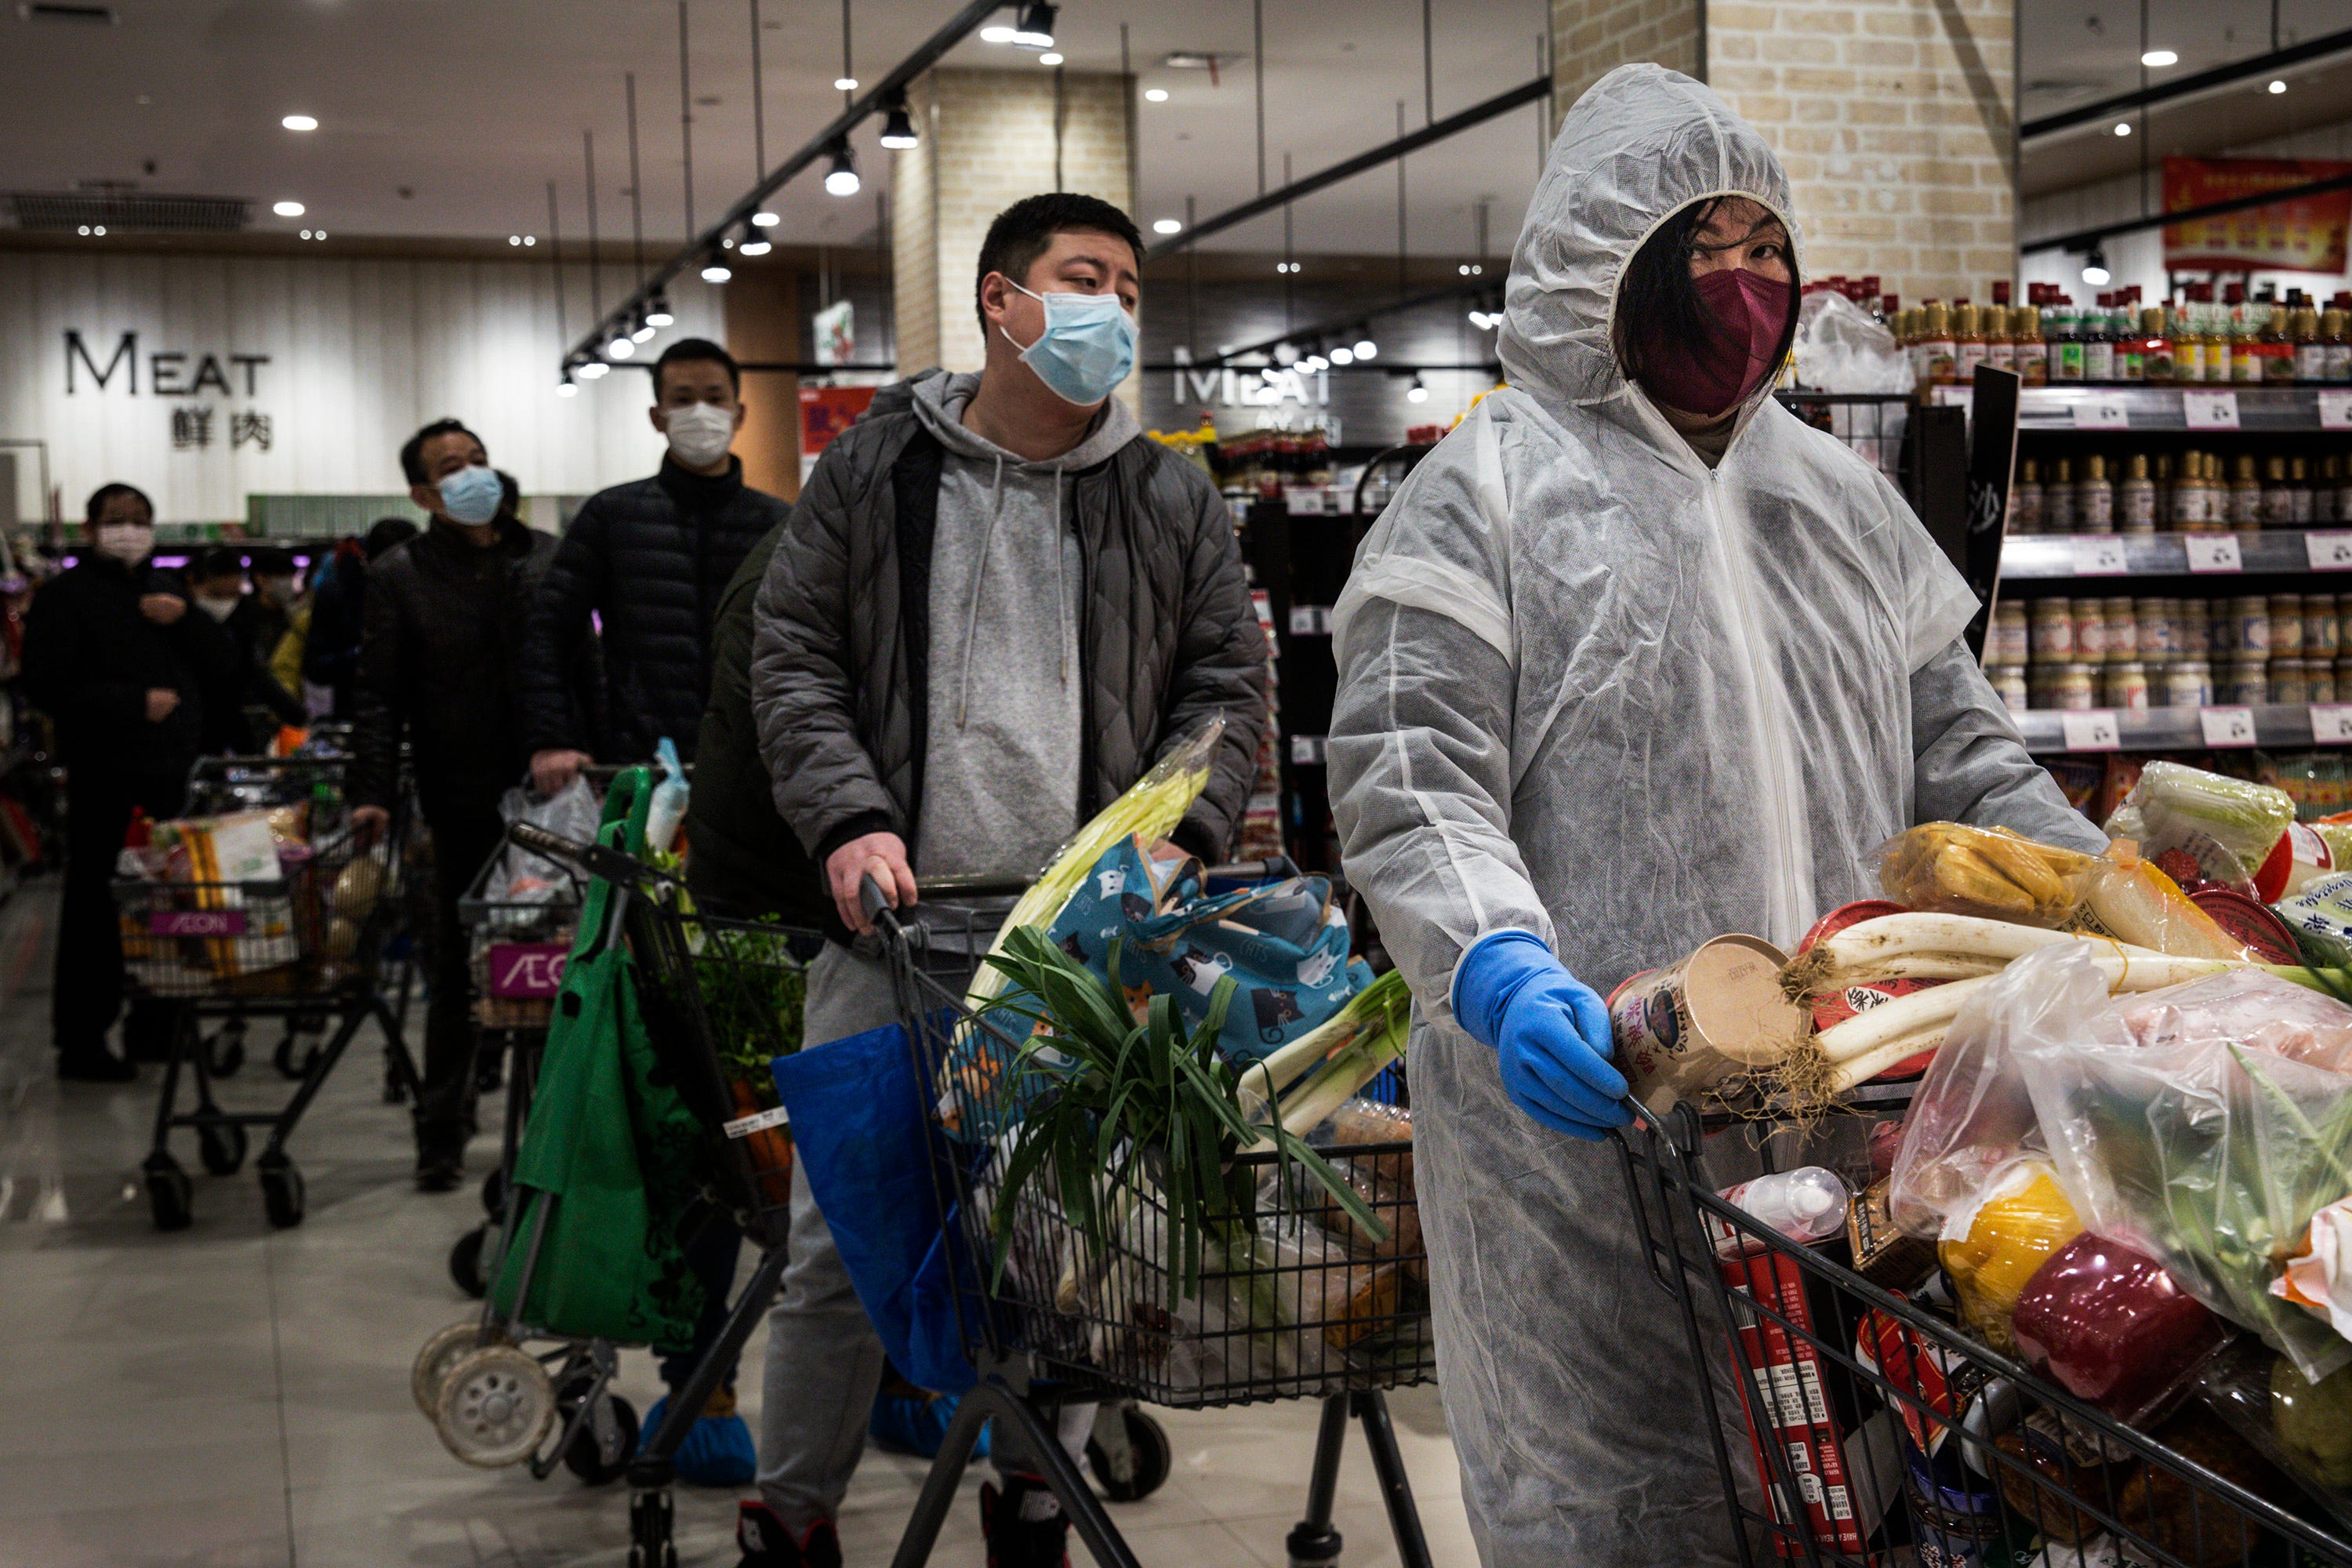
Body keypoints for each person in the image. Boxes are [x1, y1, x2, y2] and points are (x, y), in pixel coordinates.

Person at [1324, 66, 2108, 1567]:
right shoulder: (1485, 496)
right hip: (1583, 1136)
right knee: (1617, 1509)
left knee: (1854, 1503)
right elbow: (1416, 773)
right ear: (1598, 264)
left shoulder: (1839, 501)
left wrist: (2104, 903)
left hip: (1852, 1128)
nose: (1744, 284)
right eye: (1705, 246)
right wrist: (1497, 966)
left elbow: (1968, 760)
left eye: (1770, 249)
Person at [742, 191, 1270, 1568]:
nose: (1114, 309)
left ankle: (1034, 1494)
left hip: (1084, 952)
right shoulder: (873, 473)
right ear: (999, 299)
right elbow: (790, 657)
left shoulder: (1168, 492)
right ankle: (789, 1513)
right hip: (892, 931)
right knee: (840, 1250)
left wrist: (1184, 833)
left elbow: (1229, 686)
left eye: (1131, 288)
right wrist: (849, 821)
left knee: (1074, 1236)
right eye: (1083, 277)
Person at [350, 421, 556, 1189]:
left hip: (554, 796)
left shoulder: (543, 556)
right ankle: (441, 1125)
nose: (471, 474)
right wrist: (371, 793)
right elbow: (377, 699)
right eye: (450, 467)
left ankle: (549, 1127)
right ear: (422, 493)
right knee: (458, 961)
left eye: (477, 459)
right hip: (459, 788)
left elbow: (581, 666)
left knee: (551, 956)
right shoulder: (399, 575)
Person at [21, 483, 237, 1080]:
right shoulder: (65, 597)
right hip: (103, 774)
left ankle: (158, 1026)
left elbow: (224, 666)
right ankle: (84, 1040)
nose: (130, 530)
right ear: (90, 530)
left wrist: (187, 619)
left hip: (172, 776)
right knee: (95, 904)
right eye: (116, 520)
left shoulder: (167, 591)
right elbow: (44, 683)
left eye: (141, 520)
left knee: (170, 904)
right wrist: (131, 703)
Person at [518, 337, 786, 787]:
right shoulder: (611, 515)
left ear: (739, 413)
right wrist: (551, 737)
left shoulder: (780, 525)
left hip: (760, 765)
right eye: (682, 399)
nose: (700, 411)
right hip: (639, 767)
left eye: (715, 398)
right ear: (657, 417)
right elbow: (547, 630)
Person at [305, 520, 418, 719]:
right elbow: (316, 666)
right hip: (358, 712)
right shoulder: (337, 596)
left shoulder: (423, 594)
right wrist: (363, 654)